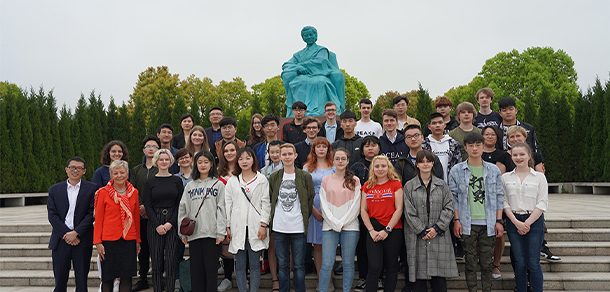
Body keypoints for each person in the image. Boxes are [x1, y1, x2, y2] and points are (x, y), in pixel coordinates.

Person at [449, 132, 504, 292]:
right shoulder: (457, 170)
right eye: (471, 145)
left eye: (478, 145)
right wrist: (456, 220)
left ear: (483, 146)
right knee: (471, 263)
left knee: (487, 263)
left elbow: (500, 196)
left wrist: (499, 221)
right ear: (465, 148)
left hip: (488, 223)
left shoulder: (493, 170)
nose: (474, 148)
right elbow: (454, 198)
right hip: (467, 224)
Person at [403, 150, 458, 292]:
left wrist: (437, 227)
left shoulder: (442, 185)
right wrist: (421, 229)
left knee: (439, 279)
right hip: (417, 235)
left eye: (428, 161)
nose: (425, 164)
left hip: (438, 234)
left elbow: (449, 207)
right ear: (417, 164)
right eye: (422, 161)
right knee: (419, 277)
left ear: (433, 163)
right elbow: (408, 211)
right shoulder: (409, 186)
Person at [178, 150, 226, 292]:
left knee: (211, 273)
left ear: (212, 164)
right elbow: (182, 210)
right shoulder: (190, 186)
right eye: (200, 162)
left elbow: (222, 210)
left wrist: (220, 232)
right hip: (194, 235)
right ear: (195, 165)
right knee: (196, 273)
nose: (203, 165)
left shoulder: (218, 184)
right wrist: (183, 234)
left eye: (206, 162)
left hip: (212, 235)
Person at [269, 143, 315, 292]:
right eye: (284, 154)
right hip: (279, 227)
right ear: (280, 157)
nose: (287, 157)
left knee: (298, 265)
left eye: (290, 154)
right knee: (282, 265)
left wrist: (302, 218)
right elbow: (271, 198)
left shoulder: (305, 176)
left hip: (298, 226)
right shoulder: (275, 177)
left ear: (295, 156)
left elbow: (309, 199)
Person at [502, 142, 548, 292]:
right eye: (515, 155)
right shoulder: (505, 178)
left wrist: (527, 223)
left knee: (533, 262)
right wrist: (516, 222)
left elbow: (542, 203)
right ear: (511, 157)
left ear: (529, 155)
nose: (518, 157)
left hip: (534, 222)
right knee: (520, 262)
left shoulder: (539, 177)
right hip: (513, 221)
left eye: (522, 154)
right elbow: (504, 202)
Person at [47, 157, 97, 292]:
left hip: (82, 239)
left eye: (79, 168)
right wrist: (66, 234)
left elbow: (91, 214)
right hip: (60, 239)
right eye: (72, 167)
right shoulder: (55, 189)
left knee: (81, 280)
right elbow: (52, 215)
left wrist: (76, 233)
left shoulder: (92, 188)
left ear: (84, 171)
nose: (75, 170)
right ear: (66, 169)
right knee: (60, 279)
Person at [225, 148, 271, 292]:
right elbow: (228, 204)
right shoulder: (232, 181)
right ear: (237, 161)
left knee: (255, 264)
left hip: (256, 226)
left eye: (247, 158)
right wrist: (227, 226)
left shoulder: (261, 179)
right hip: (237, 226)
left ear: (253, 159)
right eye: (241, 159)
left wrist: (264, 225)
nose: (244, 161)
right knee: (239, 265)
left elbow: (266, 203)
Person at [94, 160, 141, 292]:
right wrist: (98, 242)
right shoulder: (102, 193)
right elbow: (98, 220)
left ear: (127, 173)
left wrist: (138, 240)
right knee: (107, 278)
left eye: (122, 172)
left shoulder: (134, 192)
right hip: (108, 240)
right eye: (116, 173)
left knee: (127, 277)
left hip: (129, 240)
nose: (119, 175)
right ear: (111, 175)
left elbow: (136, 218)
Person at [318, 148, 361, 292]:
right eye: (337, 158)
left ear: (348, 161)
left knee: (348, 263)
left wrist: (341, 222)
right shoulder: (326, 180)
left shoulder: (355, 180)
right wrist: (334, 223)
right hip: (329, 227)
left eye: (343, 159)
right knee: (327, 264)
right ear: (333, 160)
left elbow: (356, 205)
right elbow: (323, 204)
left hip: (350, 227)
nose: (340, 161)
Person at [142, 149, 184, 292]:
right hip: (155, 221)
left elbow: (180, 203)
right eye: (161, 159)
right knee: (157, 261)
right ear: (156, 162)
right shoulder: (150, 182)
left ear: (171, 161)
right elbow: (147, 204)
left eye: (166, 159)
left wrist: (170, 223)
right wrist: (157, 224)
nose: (164, 162)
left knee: (171, 261)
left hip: (172, 220)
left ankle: (171, 289)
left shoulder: (177, 180)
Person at [361, 155, 404, 292]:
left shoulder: (396, 184)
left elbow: (399, 209)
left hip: (393, 229)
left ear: (388, 168)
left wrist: (387, 230)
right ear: (373, 168)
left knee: (391, 266)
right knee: (374, 266)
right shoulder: (367, 185)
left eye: (383, 166)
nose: (380, 169)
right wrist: (371, 230)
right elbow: (363, 210)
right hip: (373, 229)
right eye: (377, 166)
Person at [281, 26, 345, 117]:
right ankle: (300, 111)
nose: (309, 37)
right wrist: (298, 67)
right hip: (302, 77)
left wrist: (302, 65)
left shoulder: (321, 50)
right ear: (303, 38)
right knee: (297, 82)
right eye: (306, 35)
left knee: (320, 82)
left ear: (316, 36)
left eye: (311, 34)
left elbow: (320, 61)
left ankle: (320, 111)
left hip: (320, 75)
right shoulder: (299, 54)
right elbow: (286, 65)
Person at [349, 136, 383, 292]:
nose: (370, 148)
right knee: (362, 248)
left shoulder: (385, 165)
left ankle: (379, 278)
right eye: (367, 146)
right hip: (361, 214)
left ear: (379, 148)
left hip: (382, 214)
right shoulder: (356, 167)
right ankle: (363, 278)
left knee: (379, 248)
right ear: (362, 149)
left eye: (374, 145)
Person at [303, 137, 336, 290]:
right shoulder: (307, 168)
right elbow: (304, 192)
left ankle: (329, 279)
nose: (321, 149)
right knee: (317, 245)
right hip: (314, 206)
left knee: (330, 244)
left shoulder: (335, 166)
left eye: (324, 146)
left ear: (328, 149)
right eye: (318, 146)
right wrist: (313, 209)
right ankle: (322, 280)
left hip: (333, 206)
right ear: (314, 149)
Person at [480, 125, 511, 279]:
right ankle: (483, 263)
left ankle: (496, 264)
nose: (490, 137)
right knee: (480, 232)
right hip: (478, 199)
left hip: (497, 198)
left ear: (497, 137)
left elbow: (502, 176)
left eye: (493, 134)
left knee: (499, 234)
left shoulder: (503, 155)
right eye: (486, 134)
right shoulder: (476, 153)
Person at [130, 136, 160, 292]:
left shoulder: (161, 168)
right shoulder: (136, 170)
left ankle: (158, 277)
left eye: (154, 147)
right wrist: (142, 206)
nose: (150, 149)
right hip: (139, 215)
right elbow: (133, 190)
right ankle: (142, 279)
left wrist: (149, 208)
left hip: (156, 215)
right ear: (143, 150)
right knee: (143, 249)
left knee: (156, 248)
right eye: (148, 146)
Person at [217, 140, 240, 292]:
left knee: (241, 248)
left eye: (232, 150)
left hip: (240, 214)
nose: (229, 153)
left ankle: (242, 277)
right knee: (226, 249)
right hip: (222, 214)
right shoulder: (218, 171)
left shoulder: (244, 169)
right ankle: (227, 278)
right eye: (226, 151)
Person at [422, 113, 462, 183]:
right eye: (434, 123)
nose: (437, 125)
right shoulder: (424, 145)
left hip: (450, 185)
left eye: (440, 122)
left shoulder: (453, 144)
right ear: (429, 127)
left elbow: (458, 165)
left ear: (444, 125)